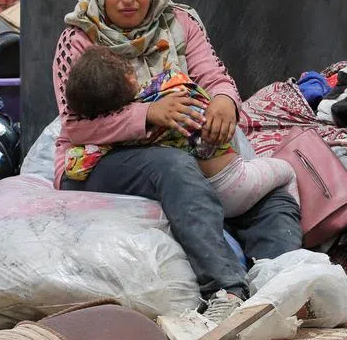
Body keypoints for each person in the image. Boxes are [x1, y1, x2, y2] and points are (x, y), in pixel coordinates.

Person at [53, 0, 303, 322]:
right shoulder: (80, 37)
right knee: (172, 167)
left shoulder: (179, 23)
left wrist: (224, 103)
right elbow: (76, 126)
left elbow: (214, 75)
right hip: (98, 162)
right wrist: (148, 116)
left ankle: (284, 283)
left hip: (181, 147)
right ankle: (226, 289)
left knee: (265, 196)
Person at [62, 45, 296, 217]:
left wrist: (225, 99)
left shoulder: (110, 138)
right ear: (130, 77)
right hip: (231, 183)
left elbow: (75, 167)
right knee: (287, 170)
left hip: (188, 198)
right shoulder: (171, 93)